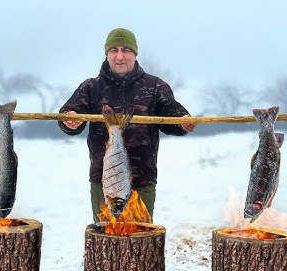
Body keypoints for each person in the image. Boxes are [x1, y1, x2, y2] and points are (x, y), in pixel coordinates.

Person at [58, 27, 196, 223]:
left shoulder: (155, 86)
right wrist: (70, 120)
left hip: (143, 181)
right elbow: (68, 113)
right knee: (105, 241)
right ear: (107, 54)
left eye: (126, 50)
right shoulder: (91, 87)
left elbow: (172, 115)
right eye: (114, 50)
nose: (120, 56)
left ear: (135, 54)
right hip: (104, 181)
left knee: (141, 242)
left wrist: (183, 122)